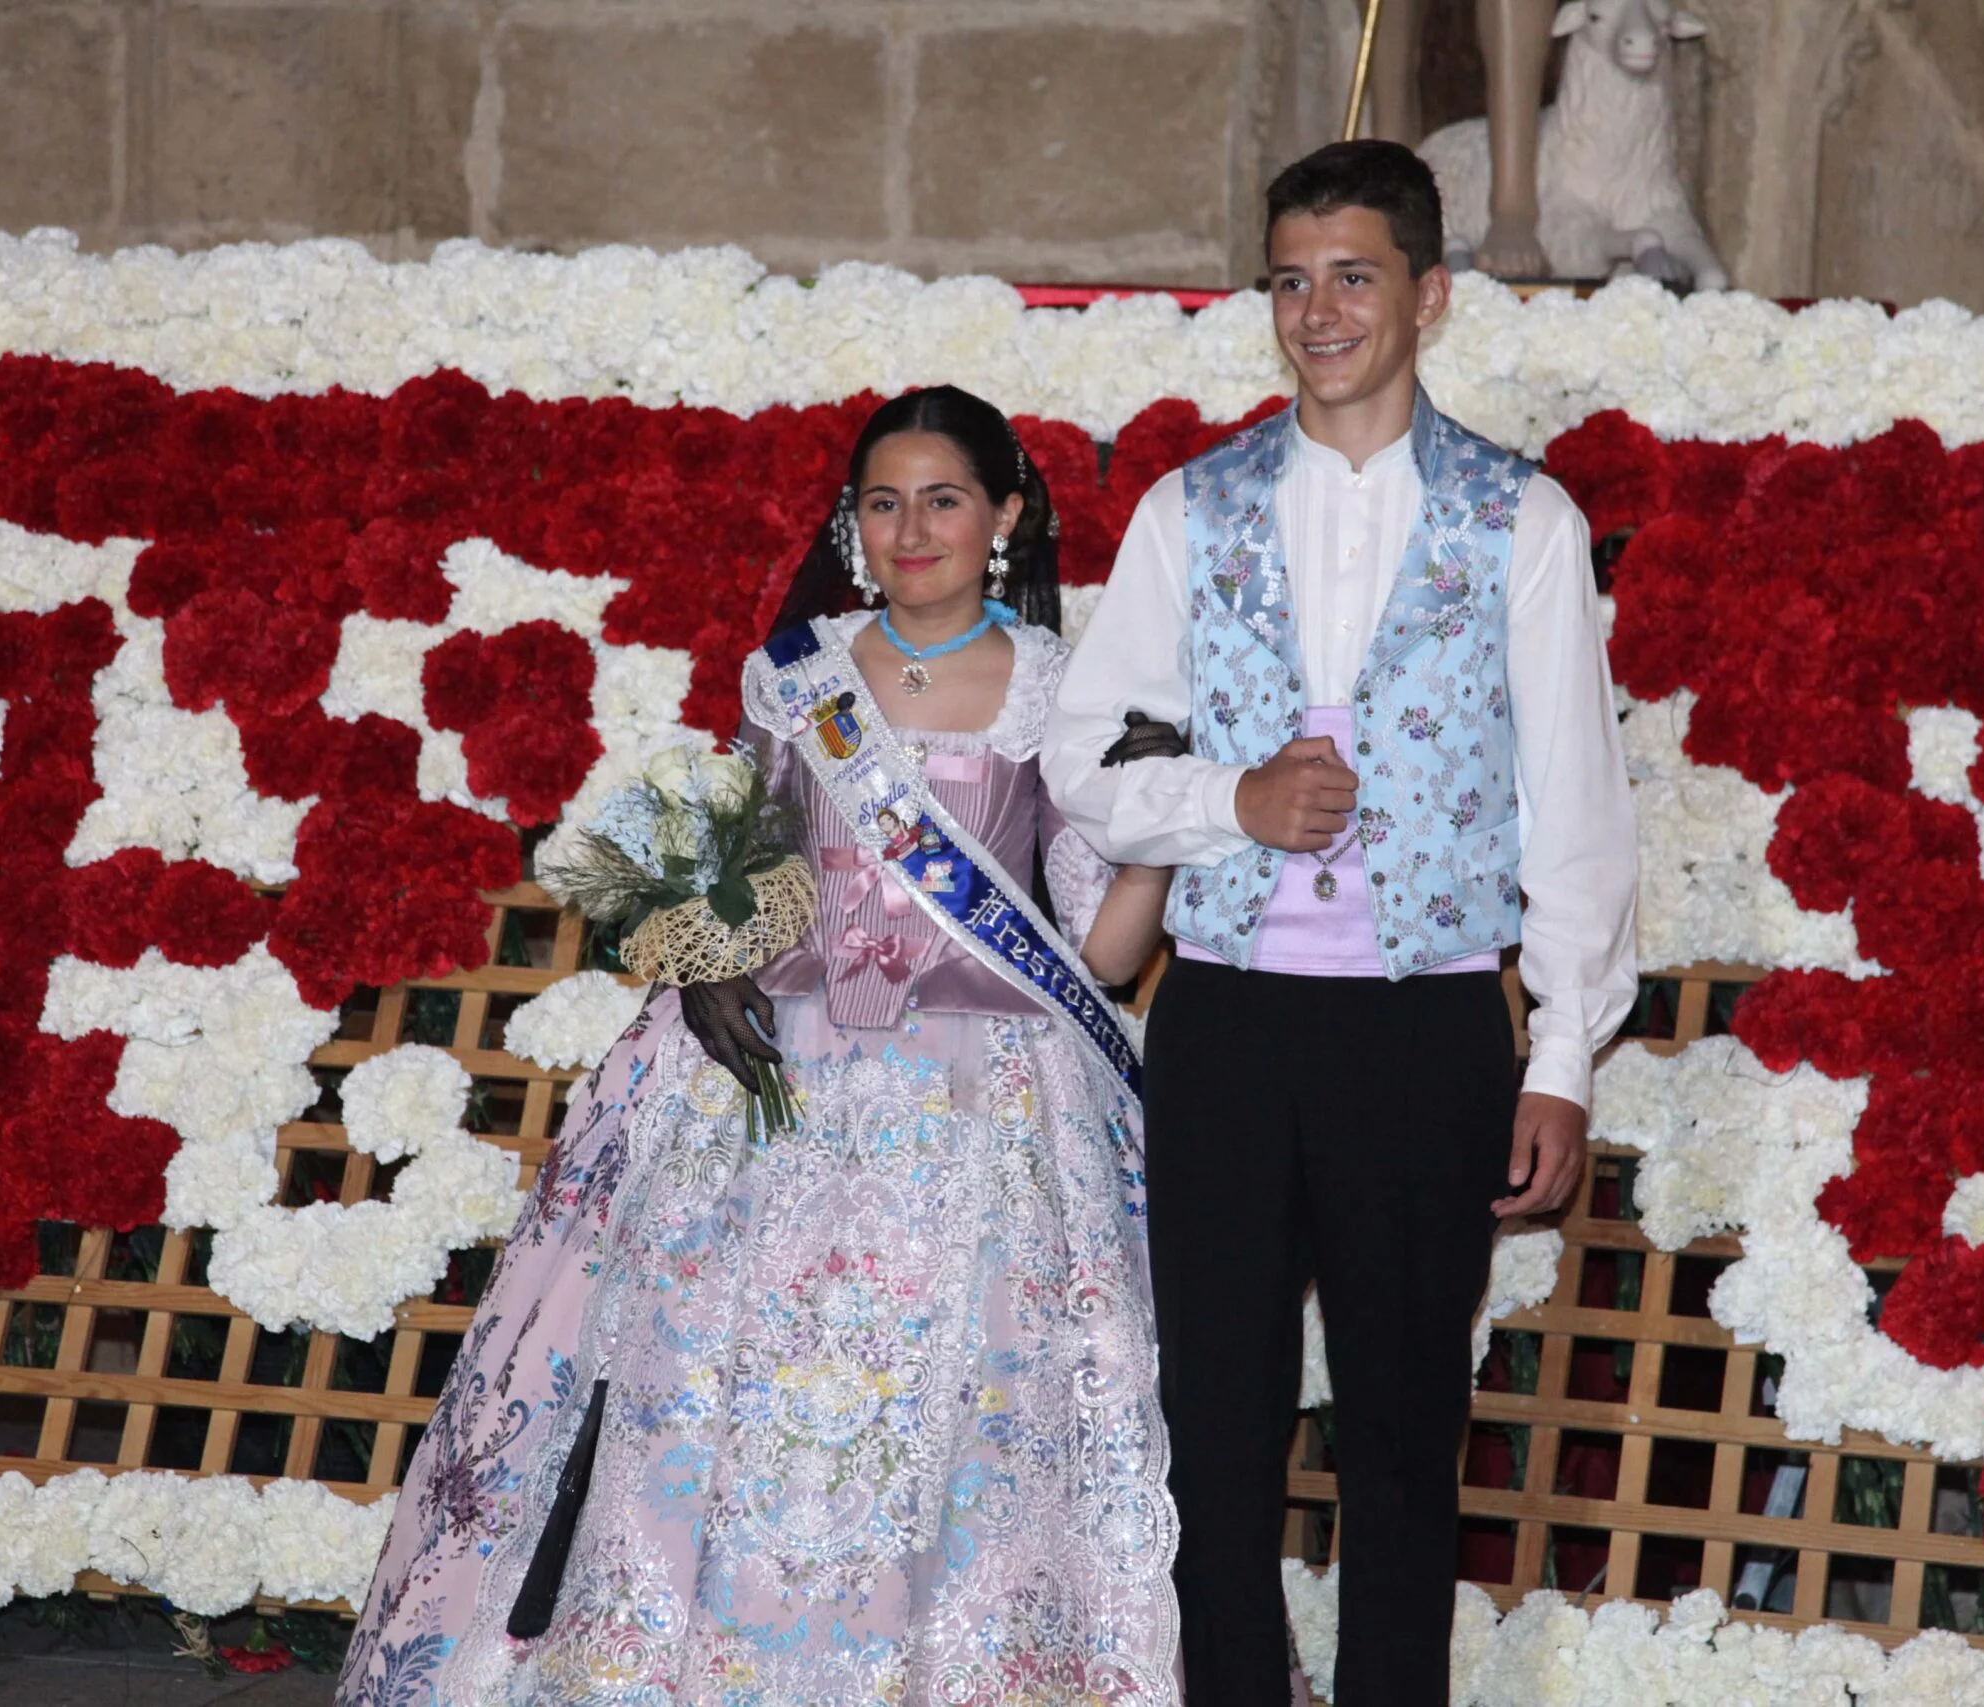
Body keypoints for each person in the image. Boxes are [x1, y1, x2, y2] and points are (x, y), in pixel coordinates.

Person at [339, 386, 1182, 1706]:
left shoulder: (1062, 689)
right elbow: (743, 870)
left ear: (1006, 515)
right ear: (853, 522)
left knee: (953, 1416)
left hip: (991, 1108)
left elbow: (1109, 952)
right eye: (884, 502)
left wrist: (1154, 817)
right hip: (767, 1093)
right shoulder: (796, 673)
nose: (913, 529)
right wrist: (705, 961)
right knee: (717, 1391)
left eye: (945, 498)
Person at [1042, 140, 1638, 1706]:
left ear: (1430, 296)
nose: (1319, 311)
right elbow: (1084, 757)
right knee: (1215, 1432)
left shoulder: (1525, 522)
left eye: (1354, 275)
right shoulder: (1196, 506)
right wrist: (1230, 802)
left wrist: (1563, 1051)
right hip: (1229, 1020)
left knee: (1397, 1441)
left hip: (1425, 1024)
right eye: (1292, 279)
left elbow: (1577, 813)